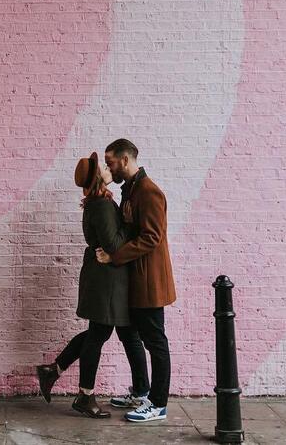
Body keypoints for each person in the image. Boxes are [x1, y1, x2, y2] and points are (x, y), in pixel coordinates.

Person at [36, 152, 149, 419]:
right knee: (98, 335)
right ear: (100, 177)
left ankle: (54, 371)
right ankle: (84, 395)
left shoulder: (98, 202)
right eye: (104, 168)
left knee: (98, 333)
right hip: (107, 280)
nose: (108, 169)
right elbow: (112, 244)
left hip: (106, 278)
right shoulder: (100, 204)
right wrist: (132, 227)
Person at [96, 138, 176, 423]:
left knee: (155, 341)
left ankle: (158, 403)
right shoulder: (130, 190)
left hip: (150, 282)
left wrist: (114, 256)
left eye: (111, 162)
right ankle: (141, 390)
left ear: (126, 160)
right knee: (128, 333)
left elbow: (151, 238)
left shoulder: (149, 191)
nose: (109, 167)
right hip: (134, 280)